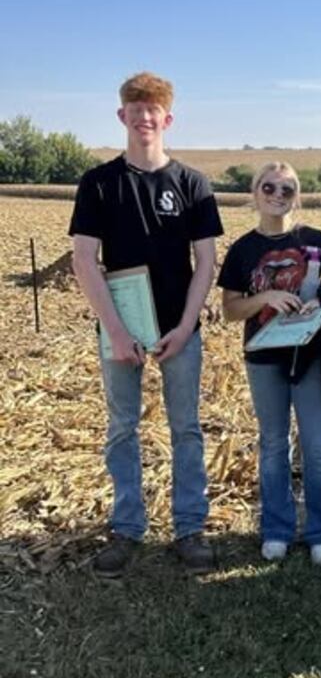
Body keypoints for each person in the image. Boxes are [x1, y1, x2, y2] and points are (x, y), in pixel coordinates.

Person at [70, 72, 223, 579]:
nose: (144, 118)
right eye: (135, 110)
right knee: (122, 429)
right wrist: (115, 331)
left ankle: (189, 528)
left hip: (181, 330)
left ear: (167, 118)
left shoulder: (191, 184)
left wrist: (186, 326)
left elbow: (205, 263)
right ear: (122, 117)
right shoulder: (98, 183)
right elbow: (85, 261)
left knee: (186, 429)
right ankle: (127, 529)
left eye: (153, 110)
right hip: (120, 328)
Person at [218, 162, 321, 565]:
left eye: (287, 188)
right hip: (263, 359)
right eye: (269, 186)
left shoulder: (313, 239)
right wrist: (264, 300)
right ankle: (277, 529)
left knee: (316, 446)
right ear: (255, 191)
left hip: (313, 356)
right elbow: (230, 309)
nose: (278, 194)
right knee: (273, 445)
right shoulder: (243, 249)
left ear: (296, 196)